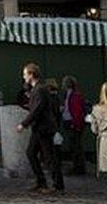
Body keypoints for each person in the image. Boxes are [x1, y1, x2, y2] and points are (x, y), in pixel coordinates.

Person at [16, 62, 64, 194]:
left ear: (31, 74)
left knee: (49, 157)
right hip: (39, 128)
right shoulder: (37, 89)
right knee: (31, 153)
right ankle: (41, 181)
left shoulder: (40, 89)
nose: (24, 77)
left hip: (44, 128)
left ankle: (57, 185)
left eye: (25, 74)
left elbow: (37, 109)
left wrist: (23, 124)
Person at [60, 76, 86, 175]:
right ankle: (78, 166)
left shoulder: (74, 96)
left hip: (73, 123)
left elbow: (77, 112)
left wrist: (75, 125)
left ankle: (78, 167)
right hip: (70, 122)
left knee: (75, 146)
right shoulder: (69, 95)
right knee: (75, 146)